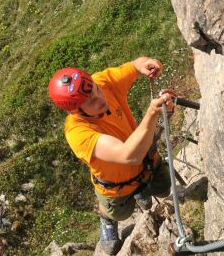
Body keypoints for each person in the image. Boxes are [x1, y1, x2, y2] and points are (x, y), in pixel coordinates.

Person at [49, 57, 180, 255]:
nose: (100, 98)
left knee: (164, 188)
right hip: (117, 186)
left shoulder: (102, 82)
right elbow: (128, 155)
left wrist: (147, 65)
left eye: (96, 90)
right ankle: (107, 219)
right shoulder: (77, 132)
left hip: (147, 163)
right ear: (75, 111)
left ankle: (141, 192)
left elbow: (135, 66)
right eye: (91, 101)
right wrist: (152, 114)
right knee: (118, 213)